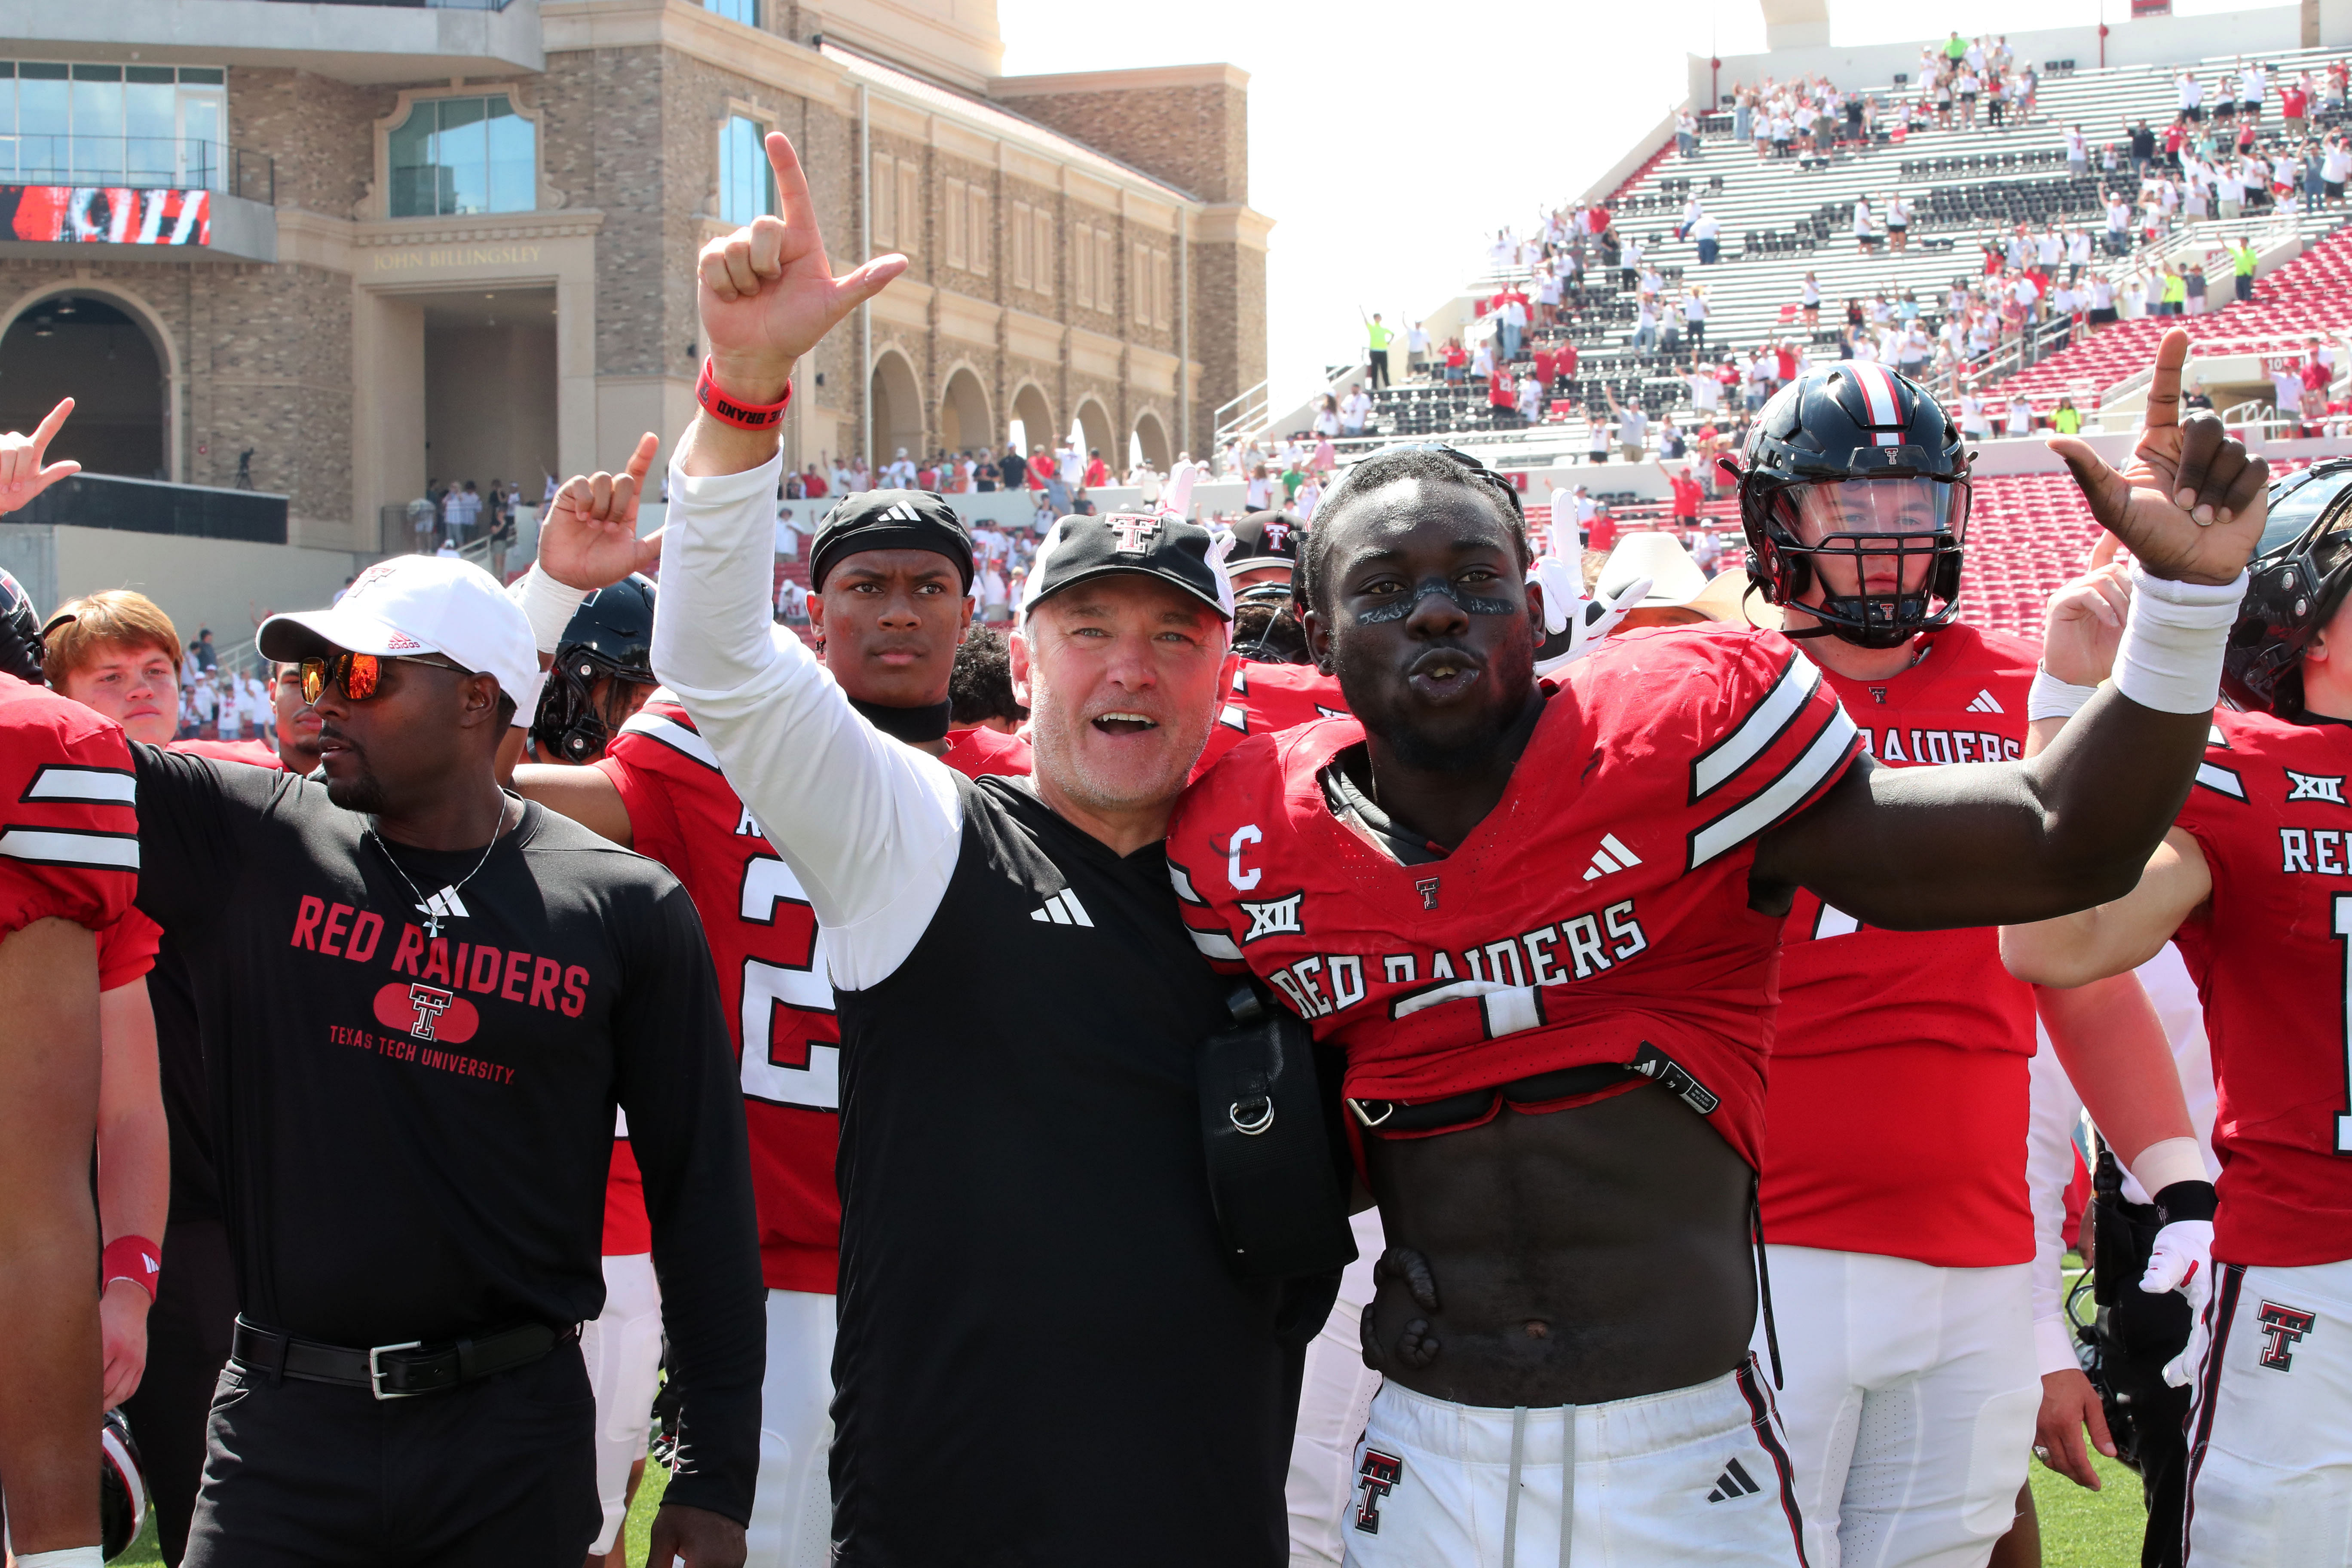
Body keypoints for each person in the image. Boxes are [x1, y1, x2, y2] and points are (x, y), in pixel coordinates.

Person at [1164, 332, 2269, 1566]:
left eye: (1477, 580)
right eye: (1383, 589)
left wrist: (2183, 607)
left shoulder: (1676, 741)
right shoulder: (1243, 842)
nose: (1434, 609)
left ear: (1538, 613)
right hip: (1423, 1441)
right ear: (1314, 631)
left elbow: (2059, 844)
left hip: (1686, 1432)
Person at [623, 129, 1322, 1565]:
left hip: (1208, 1497)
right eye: (1090, 631)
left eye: (1173, 636)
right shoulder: (922, 834)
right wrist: (744, 392)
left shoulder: (1283, 871)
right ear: (1023, 654)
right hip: (950, 1504)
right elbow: (715, 654)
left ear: (1221, 670)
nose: (1129, 670)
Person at [106, 541, 766, 1566]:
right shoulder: (248, 838)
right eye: (316, 673)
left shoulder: (624, 907)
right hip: (283, 1433)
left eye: (361, 677)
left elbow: (705, 1201)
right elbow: (36, 749)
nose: (322, 702)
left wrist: (716, 1467)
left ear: (476, 701)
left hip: (509, 1441)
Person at [1741, 369, 2211, 1568]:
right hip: (1762, 1241)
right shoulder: (1716, 691)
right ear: (1778, 521)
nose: (1891, 532)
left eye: (1911, 496)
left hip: (1985, 1249)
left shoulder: (2022, 688)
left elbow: (2081, 974)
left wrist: (2177, 1175)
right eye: (1854, 503)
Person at [2000, 462, 2352, 1568]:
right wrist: (2068, 691)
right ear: (2304, 629)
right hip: (2313, 1278)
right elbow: (2049, 942)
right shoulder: (2249, 775)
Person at [1366, 311, 1394, 390]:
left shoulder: (1383, 329)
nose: (1379, 319)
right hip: (1374, 351)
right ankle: (1374, 386)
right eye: (1377, 317)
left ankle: (1387, 384)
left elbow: (1392, 334)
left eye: (1380, 317)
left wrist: (1389, 342)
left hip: (1383, 351)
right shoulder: (1372, 327)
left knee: (1384, 369)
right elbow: (1366, 322)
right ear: (1375, 319)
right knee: (1374, 370)